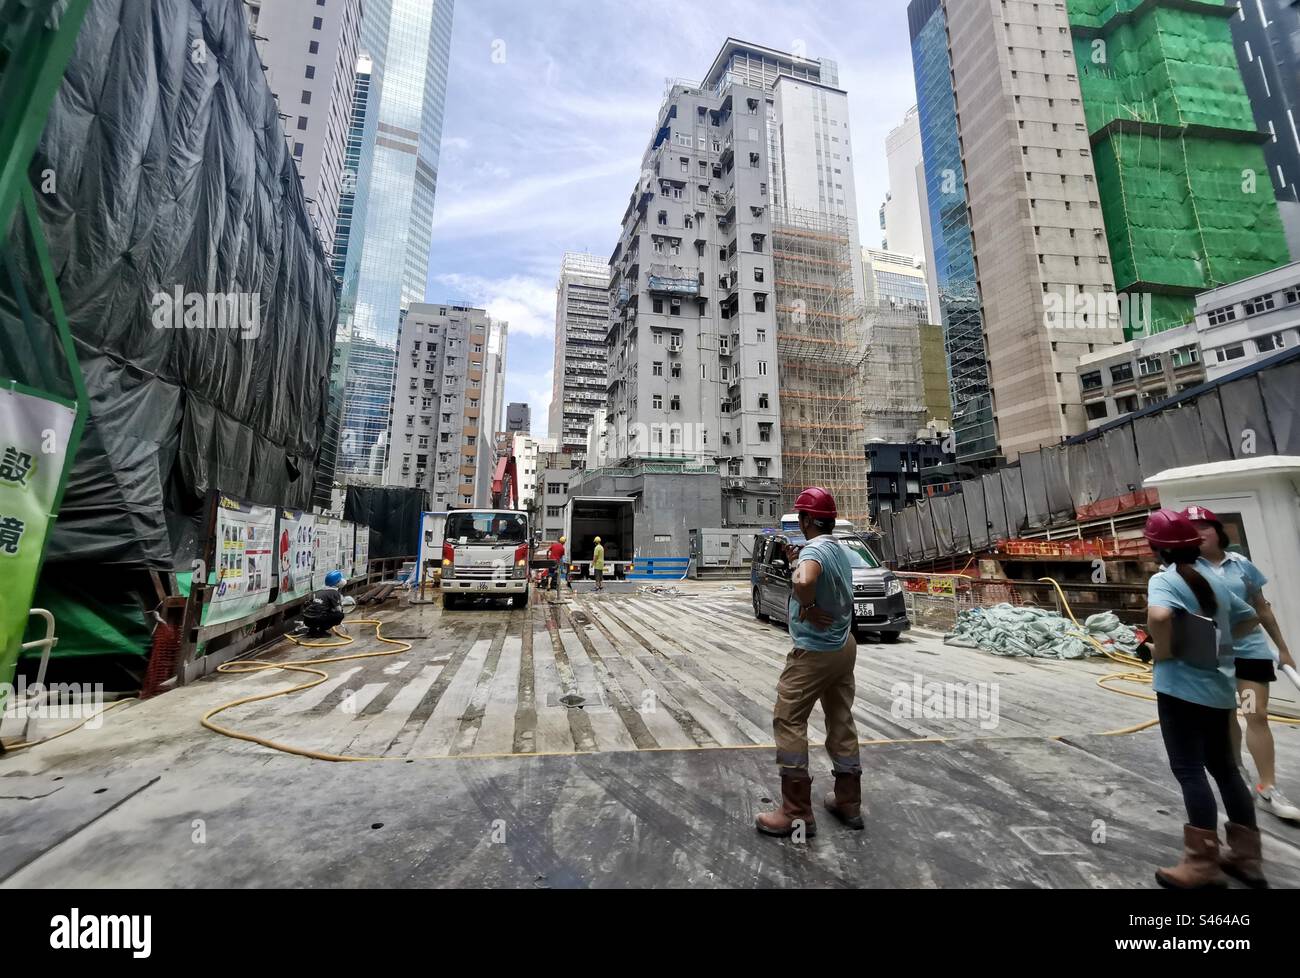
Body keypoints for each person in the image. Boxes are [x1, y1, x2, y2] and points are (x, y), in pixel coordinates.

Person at [1143, 510, 1268, 889]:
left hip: (1180, 689)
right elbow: (1249, 619)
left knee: (1189, 770)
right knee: (1226, 768)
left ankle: (1201, 864)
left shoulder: (1165, 580)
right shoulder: (1215, 577)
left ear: (1157, 549)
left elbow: (1160, 616)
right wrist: (1216, 646)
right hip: (1218, 688)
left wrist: (1163, 650)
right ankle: (1247, 858)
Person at [755, 487, 862, 839]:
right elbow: (815, 572)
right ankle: (848, 801)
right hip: (843, 647)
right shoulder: (837, 548)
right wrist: (797, 562)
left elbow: (806, 580)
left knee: (788, 719)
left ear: (805, 520)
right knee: (840, 719)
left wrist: (809, 604)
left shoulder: (813, 550)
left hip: (814, 651)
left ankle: (796, 812)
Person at [1185, 505, 1299, 823]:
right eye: (1191, 528)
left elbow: (1261, 608)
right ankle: (1236, 778)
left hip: (1249, 652)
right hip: (1213, 655)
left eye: (1204, 526)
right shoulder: (1185, 569)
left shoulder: (1241, 566)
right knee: (1224, 718)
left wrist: (1284, 649)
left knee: (1255, 713)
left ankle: (1267, 787)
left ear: (1217, 531)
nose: (1199, 532)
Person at [301, 570, 347, 638]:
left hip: (307, 619)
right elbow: (338, 610)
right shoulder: (333, 592)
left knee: (323, 612)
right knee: (339, 615)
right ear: (337, 582)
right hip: (317, 619)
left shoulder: (320, 591)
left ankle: (312, 630)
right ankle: (321, 631)